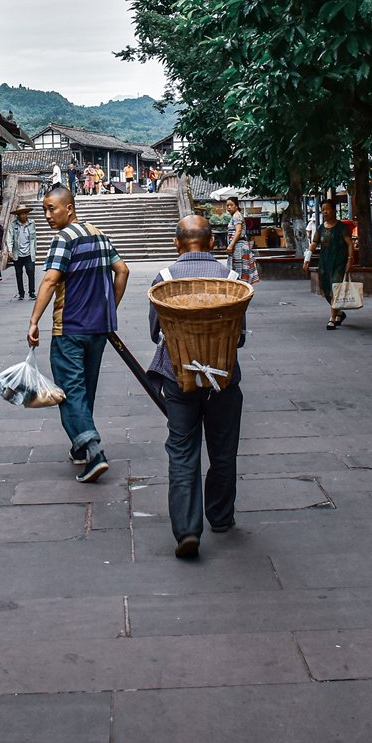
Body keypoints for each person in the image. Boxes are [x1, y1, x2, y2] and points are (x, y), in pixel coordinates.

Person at [149, 215, 245, 559]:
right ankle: (220, 516)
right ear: (213, 244)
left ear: (177, 243)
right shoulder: (232, 279)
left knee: (182, 449)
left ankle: (187, 530)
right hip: (223, 378)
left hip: (179, 378)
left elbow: (155, 333)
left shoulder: (165, 280)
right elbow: (241, 336)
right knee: (223, 450)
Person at [27, 185, 128, 483]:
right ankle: (80, 446)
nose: (47, 215)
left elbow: (49, 281)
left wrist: (34, 321)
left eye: (52, 208)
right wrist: (109, 308)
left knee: (69, 391)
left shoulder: (63, 239)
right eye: (45, 209)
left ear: (69, 208)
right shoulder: (99, 234)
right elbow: (122, 271)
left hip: (68, 328)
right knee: (86, 388)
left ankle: (94, 452)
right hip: (98, 328)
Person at [307, 199, 358, 329]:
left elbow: (350, 244)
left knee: (336, 287)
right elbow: (314, 243)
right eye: (323, 209)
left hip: (339, 262)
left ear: (334, 210)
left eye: (327, 209)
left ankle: (332, 318)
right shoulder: (321, 228)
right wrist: (307, 258)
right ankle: (339, 312)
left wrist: (350, 259)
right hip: (324, 263)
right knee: (326, 290)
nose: (325, 212)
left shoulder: (342, 227)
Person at [6, 204, 39, 299]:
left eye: (25, 214)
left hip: (29, 253)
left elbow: (34, 239)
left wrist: (34, 250)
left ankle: (31, 292)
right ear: (18, 215)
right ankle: (21, 293)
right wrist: (10, 250)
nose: (23, 216)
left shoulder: (32, 223)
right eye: (21, 214)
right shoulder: (13, 225)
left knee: (31, 272)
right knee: (18, 274)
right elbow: (10, 238)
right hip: (18, 254)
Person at [225, 199, 259, 285]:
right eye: (227, 205)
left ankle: (241, 290)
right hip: (238, 246)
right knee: (238, 269)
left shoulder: (237, 216)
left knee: (239, 270)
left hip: (238, 247)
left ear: (236, 206)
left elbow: (238, 231)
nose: (229, 207)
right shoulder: (236, 216)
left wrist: (231, 245)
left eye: (231, 205)